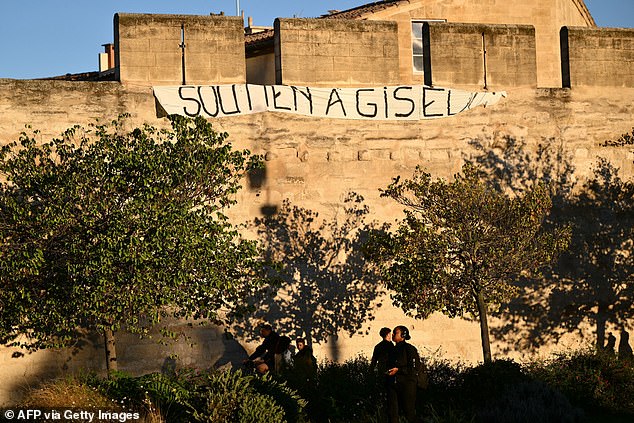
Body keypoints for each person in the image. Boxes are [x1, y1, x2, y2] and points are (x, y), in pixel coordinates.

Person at [386, 325, 419, 423]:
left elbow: (414, 367)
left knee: (409, 413)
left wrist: (399, 370)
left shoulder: (409, 349)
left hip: (407, 385)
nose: (392, 335)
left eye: (395, 333)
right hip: (393, 385)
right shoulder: (392, 350)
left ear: (403, 335)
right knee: (392, 413)